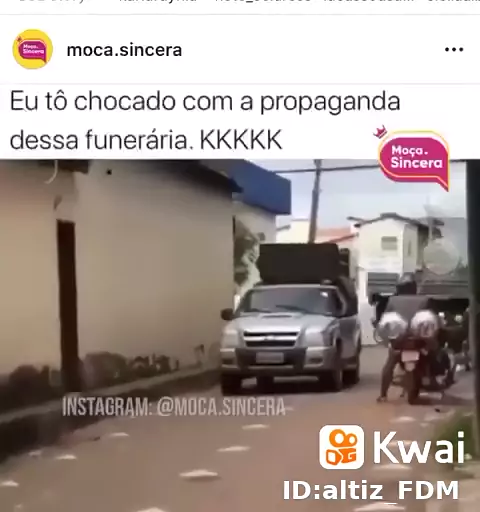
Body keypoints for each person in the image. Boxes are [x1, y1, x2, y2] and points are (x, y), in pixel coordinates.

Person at [377, 273, 440, 402]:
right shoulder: (424, 300)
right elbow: (432, 319)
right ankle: (433, 380)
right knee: (433, 352)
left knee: (390, 363)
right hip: (419, 339)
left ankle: (383, 394)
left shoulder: (392, 300)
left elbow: (385, 319)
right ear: (414, 287)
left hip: (400, 339)